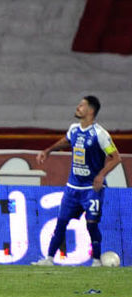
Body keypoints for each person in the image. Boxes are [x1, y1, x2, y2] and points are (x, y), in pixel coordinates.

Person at [34, 95, 122, 266]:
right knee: (61, 222)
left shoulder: (100, 134)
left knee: (91, 224)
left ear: (90, 110)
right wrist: (48, 150)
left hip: (91, 189)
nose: (78, 107)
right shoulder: (74, 129)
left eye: (81, 105)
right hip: (72, 187)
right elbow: (65, 141)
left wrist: (101, 175)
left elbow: (115, 157)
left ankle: (96, 260)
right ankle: (49, 259)